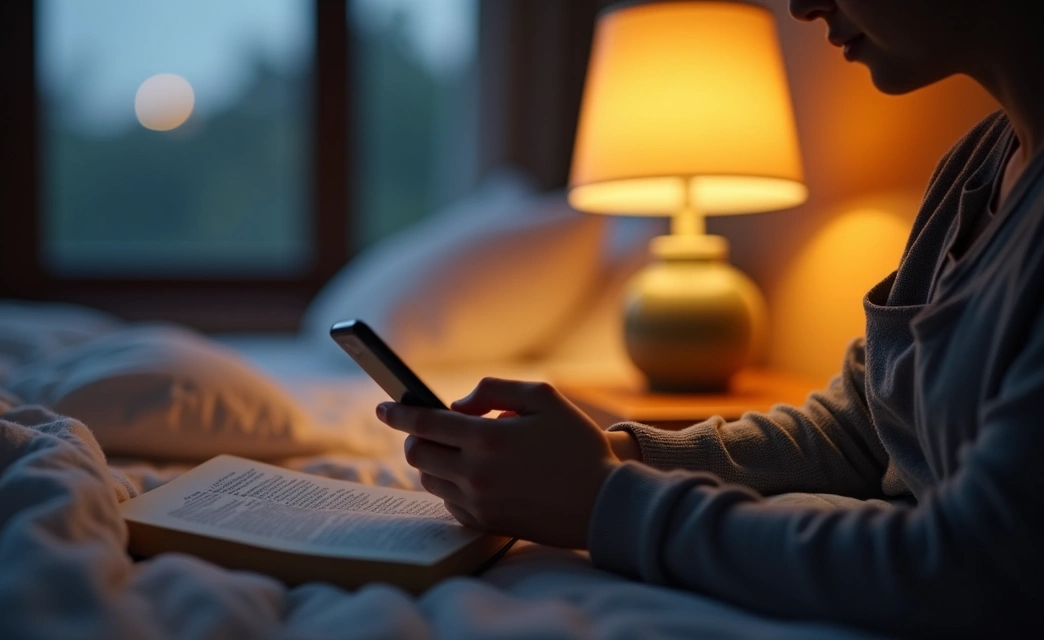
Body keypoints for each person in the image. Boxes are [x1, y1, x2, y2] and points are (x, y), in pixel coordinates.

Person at [375, 0, 1044, 635]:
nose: (803, 7)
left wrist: (606, 503)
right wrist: (623, 455)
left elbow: (971, 566)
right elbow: (863, 430)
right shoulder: (976, 165)